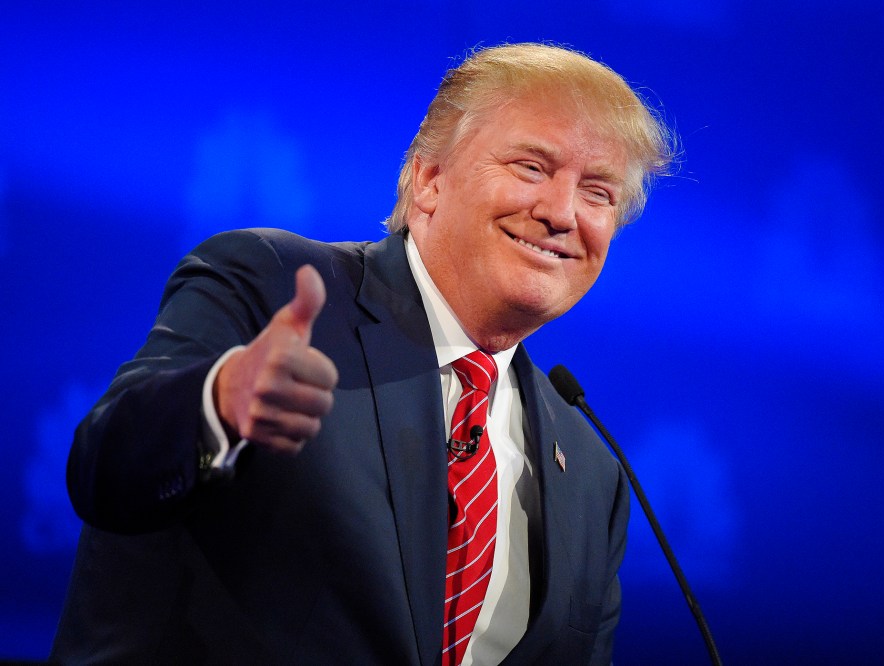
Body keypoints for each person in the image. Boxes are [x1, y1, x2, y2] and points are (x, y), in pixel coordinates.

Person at [51, 42, 672, 665]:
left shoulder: (594, 475)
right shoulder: (273, 285)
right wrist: (215, 402)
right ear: (429, 180)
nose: (562, 213)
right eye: (532, 168)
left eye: (598, 193)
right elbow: (106, 470)